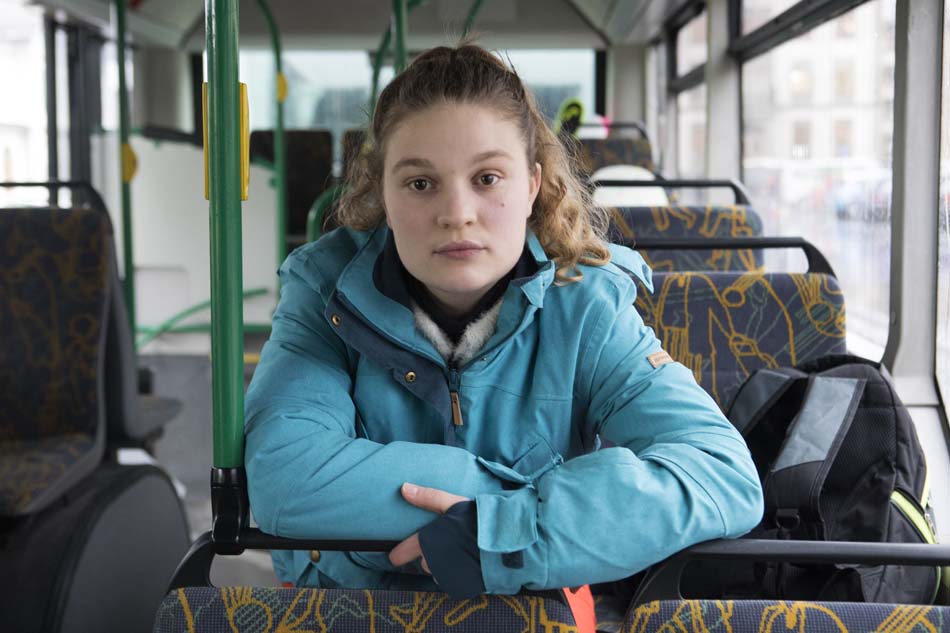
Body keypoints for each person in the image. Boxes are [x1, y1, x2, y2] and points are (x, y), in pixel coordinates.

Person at [244, 44, 763, 608]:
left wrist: (508, 533)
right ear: (385, 197)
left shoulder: (584, 307)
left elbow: (721, 473)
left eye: (487, 178)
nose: (457, 213)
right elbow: (283, 478)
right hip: (352, 608)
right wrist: (521, 504)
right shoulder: (326, 294)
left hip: (530, 608)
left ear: (532, 185)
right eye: (420, 184)